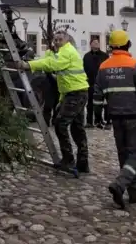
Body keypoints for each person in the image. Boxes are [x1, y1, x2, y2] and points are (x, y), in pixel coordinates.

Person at [94, 29, 136, 209]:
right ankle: (120, 184)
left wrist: (98, 117)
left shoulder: (103, 67)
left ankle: (133, 194)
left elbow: (97, 96)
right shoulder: (135, 65)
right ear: (128, 44)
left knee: (124, 154)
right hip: (134, 117)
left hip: (115, 118)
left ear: (111, 46)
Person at [14, 30, 90, 174]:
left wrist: (28, 65)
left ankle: (69, 160)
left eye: (59, 39)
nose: (56, 42)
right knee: (77, 129)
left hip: (76, 93)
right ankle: (82, 163)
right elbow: (61, 74)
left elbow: (52, 65)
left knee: (60, 124)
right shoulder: (62, 52)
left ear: (66, 41)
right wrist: (62, 99)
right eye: (55, 39)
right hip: (74, 92)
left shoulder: (67, 52)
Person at [84, 38, 109, 128]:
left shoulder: (104, 56)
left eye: (98, 42)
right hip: (90, 82)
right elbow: (84, 69)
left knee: (103, 103)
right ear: (90, 45)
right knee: (90, 103)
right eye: (94, 42)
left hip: (102, 82)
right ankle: (89, 122)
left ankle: (102, 121)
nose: (96, 44)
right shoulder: (86, 56)